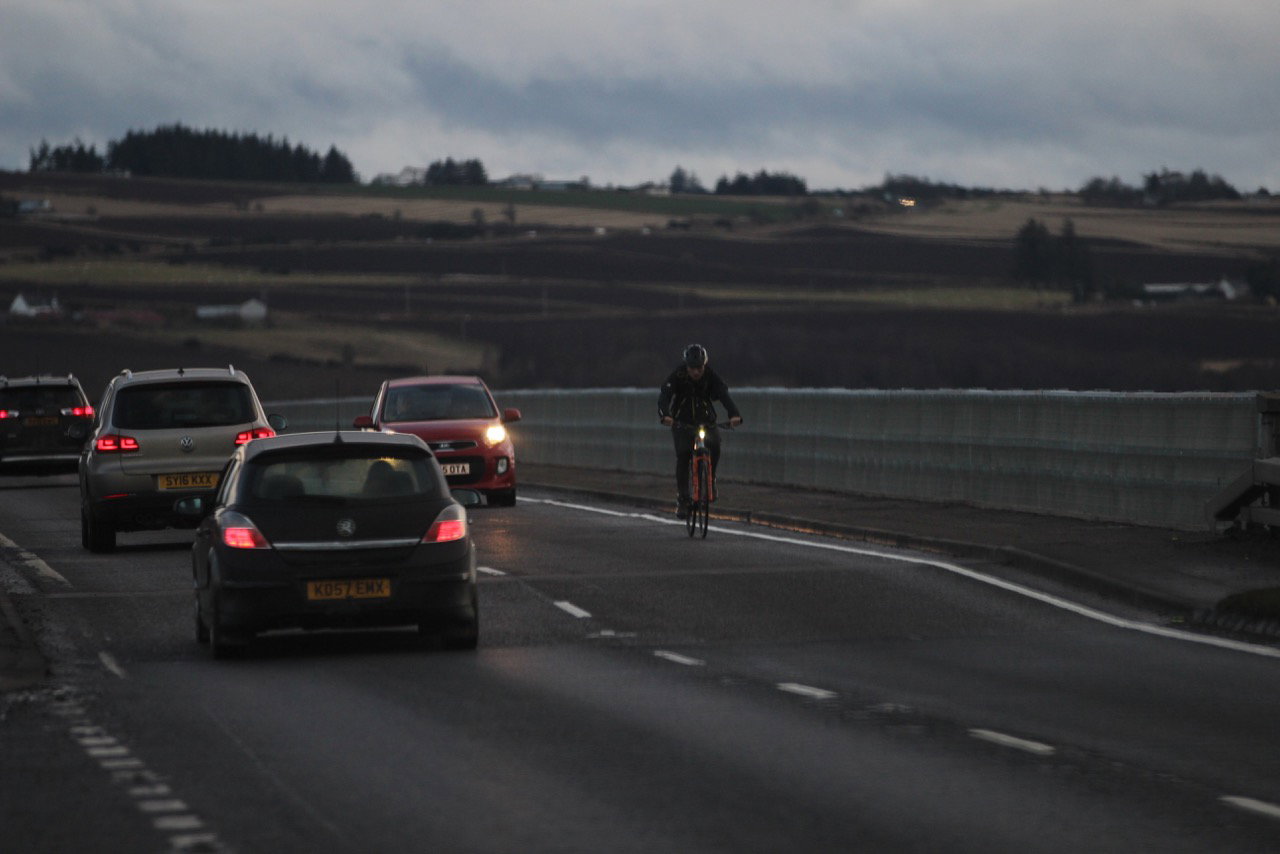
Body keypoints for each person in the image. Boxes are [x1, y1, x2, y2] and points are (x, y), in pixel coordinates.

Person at [658, 344, 743, 519]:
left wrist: (734, 414)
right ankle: (683, 499)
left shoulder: (710, 376)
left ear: (704, 365)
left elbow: (723, 394)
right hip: (682, 422)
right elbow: (665, 395)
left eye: (699, 368)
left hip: (706, 421)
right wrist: (665, 415)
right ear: (686, 366)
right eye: (692, 368)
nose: (696, 372)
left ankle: (710, 480)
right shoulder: (678, 376)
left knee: (715, 445)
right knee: (683, 456)